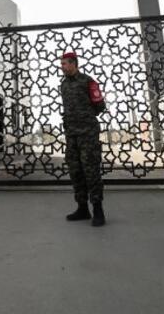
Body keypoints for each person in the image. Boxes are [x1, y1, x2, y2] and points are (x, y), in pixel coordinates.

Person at [59, 51, 106, 227]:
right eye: (62, 63)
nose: (62, 66)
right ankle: (82, 208)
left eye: (64, 63)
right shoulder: (63, 85)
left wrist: (85, 118)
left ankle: (98, 210)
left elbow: (100, 105)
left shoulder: (88, 81)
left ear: (73, 64)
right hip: (71, 134)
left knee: (91, 170)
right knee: (75, 171)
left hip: (87, 133)